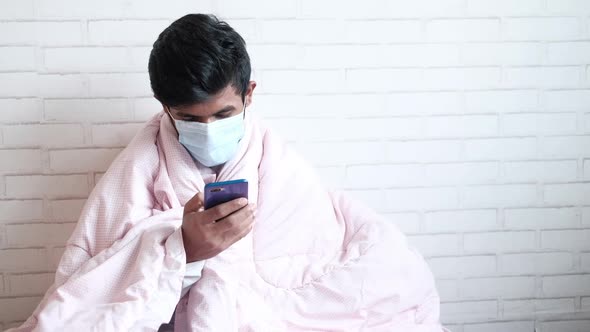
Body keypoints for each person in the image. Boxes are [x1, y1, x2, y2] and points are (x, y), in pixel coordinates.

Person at [10, 14, 445, 331]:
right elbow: (88, 284)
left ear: (249, 95)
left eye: (223, 114)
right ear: (165, 108)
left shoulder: (277, 161)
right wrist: (181, 249)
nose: (209, 130)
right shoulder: (137, 169)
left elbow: (314, 251)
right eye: (191, 119)